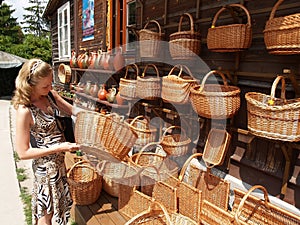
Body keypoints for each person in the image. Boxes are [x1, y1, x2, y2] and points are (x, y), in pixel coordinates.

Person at [12, 59, 80, 225]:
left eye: (51, 84)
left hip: (59, 164)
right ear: (30, 84)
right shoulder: (25, 111)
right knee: (46, 213)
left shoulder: (49, 95)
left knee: (60, 206)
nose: (50, 88)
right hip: (45, 170)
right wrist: (59, 147)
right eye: (45, 86)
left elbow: (73, 111)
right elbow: (23, 153)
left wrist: (93, 114)